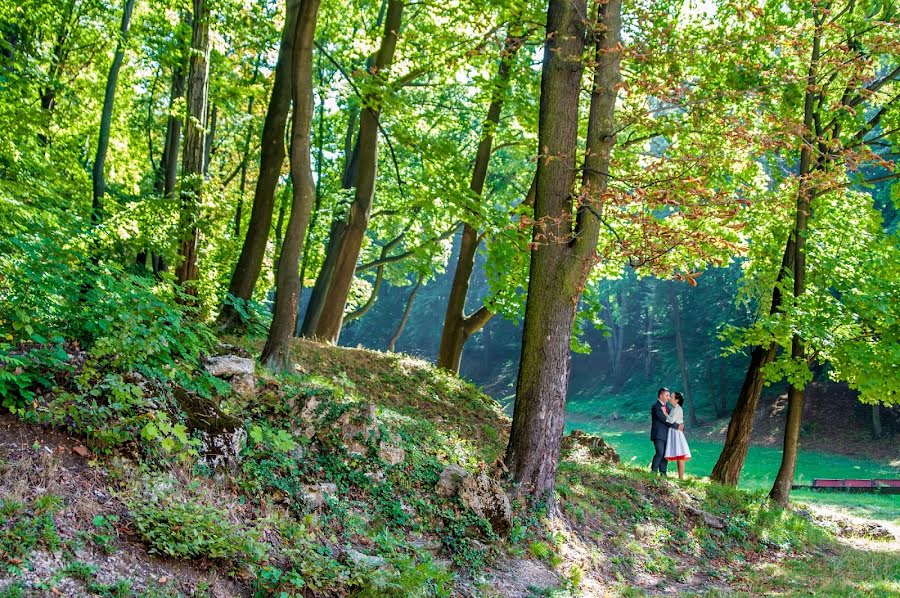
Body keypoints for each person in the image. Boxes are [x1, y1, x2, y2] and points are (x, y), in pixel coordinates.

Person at [650, 387, 682, 475]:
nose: (668, 397)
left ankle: (663, 473)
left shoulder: (668, 407)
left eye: (669, 395)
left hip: (668, 435)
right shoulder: (656, 407)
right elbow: (664, 419)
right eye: (667, 395)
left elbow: (673, 418)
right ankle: (653, 472)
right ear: (661, 395)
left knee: (665, 455)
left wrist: (680, 424)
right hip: (658, 435)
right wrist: (677, 426)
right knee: (660, 452)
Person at [664, 391, 692, 480]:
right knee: (678, 454)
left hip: (676, 433)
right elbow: (670, 421)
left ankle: (681, 478)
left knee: (680, 455)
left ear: (677, 400)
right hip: (673, 432)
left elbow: (671, 421)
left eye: (671, 397)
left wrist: (664, 413)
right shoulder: (673, 408)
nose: (669, 398)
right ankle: (680, 477)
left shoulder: (678, 409)